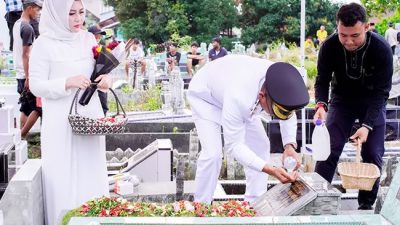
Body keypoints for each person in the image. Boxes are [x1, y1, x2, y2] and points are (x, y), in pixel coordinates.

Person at [29, 0, 111, 224]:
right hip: (60, 121)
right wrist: (67, 82)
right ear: (56, 14)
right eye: (71, 13)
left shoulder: (87, 39)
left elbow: (99, 70)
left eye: (82, 13)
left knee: (91, 171)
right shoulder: (43, 44)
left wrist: (106, 80)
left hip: (89, 117)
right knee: (63, 175)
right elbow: (36, 85)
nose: (78, 19)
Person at [187, 55, 309, 204]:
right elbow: (234, 146)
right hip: (206, 98)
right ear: (262, 96)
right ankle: (201, 206)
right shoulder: (240, 97)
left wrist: (289, 146)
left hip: (233, 90)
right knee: (213, 154)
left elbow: (288, 112)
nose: (272, 116)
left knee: (261, 145)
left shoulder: (279, 78)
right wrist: (270, 170)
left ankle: (254, 204)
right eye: (273, 111)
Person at [314, 3, 393, 210]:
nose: (348, 41)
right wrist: (321, 105)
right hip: (342, 100)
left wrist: (367, 125)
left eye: (355, 35)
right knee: (328, 150)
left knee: (373, 153)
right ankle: (317, 199)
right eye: (343, 35)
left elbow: (382, 92)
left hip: (372, 101)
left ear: (367, 27)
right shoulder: (329, 46)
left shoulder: (382, 49)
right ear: (337, 27)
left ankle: (365, 206)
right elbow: (322, 80)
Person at [12, 0, 42, 133]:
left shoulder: (17, 24)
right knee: (39, 108)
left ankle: (20, 138)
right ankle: (22, 135)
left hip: (21, 74)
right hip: (26, 76)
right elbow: (26, 55)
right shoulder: (28, 28)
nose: (38, 12)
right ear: (30, 8)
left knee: (25, 108)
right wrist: (29, 78)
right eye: (37, 9)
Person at [88, 25, 108, 115]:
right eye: (96, 35)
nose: (98, 38)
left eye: (99, 35)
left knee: (103, 107)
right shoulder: (85, 49)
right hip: (89, 84)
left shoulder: (100, 49)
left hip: (101, 83)